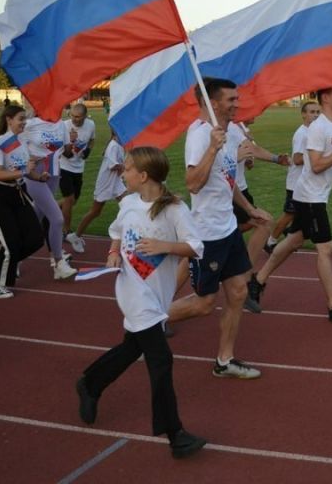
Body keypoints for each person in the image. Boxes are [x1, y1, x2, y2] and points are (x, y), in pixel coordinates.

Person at [75, 146, 206, 458]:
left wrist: (166, 245)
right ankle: (175, 435)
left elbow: (195, 246)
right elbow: (117, 232)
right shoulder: (129, 203)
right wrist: (111, 252)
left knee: (132, 346)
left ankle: (91, 383)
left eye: (128, 169)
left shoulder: (174, 209)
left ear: (143, 175)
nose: (123, 173)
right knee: (160, 360)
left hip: (156, 293)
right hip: (133, 293)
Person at [244, 86, 332, 319]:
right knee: (326, 248)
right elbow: (316, 165)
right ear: (325, 97)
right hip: (309, 196)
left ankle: (257, 281)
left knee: (293, 240)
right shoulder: (316, 129)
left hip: (316, 196)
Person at [167, 78, 268, 379]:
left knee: (237, 292)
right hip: (207, 233)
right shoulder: (200, 136)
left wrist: (249, 209)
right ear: (212, 103)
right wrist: (212, 149)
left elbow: (226, 178)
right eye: (231, 99)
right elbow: (193, 183)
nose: (237, 104)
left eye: (237, 99)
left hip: (228, 228)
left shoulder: (222, 133)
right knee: (205, 304)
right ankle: (149, 318)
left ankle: (225, 361)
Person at [0, 105, 45, 298]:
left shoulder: (21, 141)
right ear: (9, 120)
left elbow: (25, 169)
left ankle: (5, 257)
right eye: (20, 119)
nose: (24, 122)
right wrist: (25, 171)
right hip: (0, 195)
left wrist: (38, 176)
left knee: (36, 238)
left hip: (19, 192)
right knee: (11, 244)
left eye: (25, 119)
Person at [21, 105, 77, 280]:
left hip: (54, 173)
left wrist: (72, 142)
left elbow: (67, 152)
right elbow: (13, 146)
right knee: (57, 218)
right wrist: (26, 159)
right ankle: (58, 263)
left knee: (35, 218)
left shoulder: (61, 124)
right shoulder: (30, 124)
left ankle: (10, 255)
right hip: (35, 173)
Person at [265, 100, 320, 254]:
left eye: (317, 112)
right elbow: (296, 159)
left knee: (307, 215)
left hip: (306, 183)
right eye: (312, 112)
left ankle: (291, 233)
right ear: (303, 114)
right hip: (296, 184)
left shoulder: (313, 132)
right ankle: (271, 242)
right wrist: (317, 156)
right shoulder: (302, 134)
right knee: (289, 214)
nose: (315, 115)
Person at [228, 118, 287, 260]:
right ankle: (245, 272)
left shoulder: (235, 128)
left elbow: (249, 154)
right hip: (230, 190)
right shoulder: (227, 128)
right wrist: (276, 159)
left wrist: (246, 158)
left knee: (235, 228)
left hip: (239, 188)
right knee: (264, 222)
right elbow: (253, 149)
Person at [70, 130, 126, 248]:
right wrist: (127, 167)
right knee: (95, 211)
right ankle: (76, 236)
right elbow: (113, 166)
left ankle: (127, 236)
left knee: (127, 205)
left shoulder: (119, 145)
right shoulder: (113, 146)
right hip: (105, 183)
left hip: (115, 182)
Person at [60, 103, 96, 252]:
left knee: (73, 201)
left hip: (79, 168)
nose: (75, 119)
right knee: (69, 199)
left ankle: (46, 209)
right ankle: (66, 231)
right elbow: (66, 153)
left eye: (78, 117)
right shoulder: (64, 126)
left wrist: (88, 150)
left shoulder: (91, 124)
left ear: (85, 116)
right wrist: (71, 141)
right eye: (73, 116)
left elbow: (92, 140)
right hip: (64, 166)